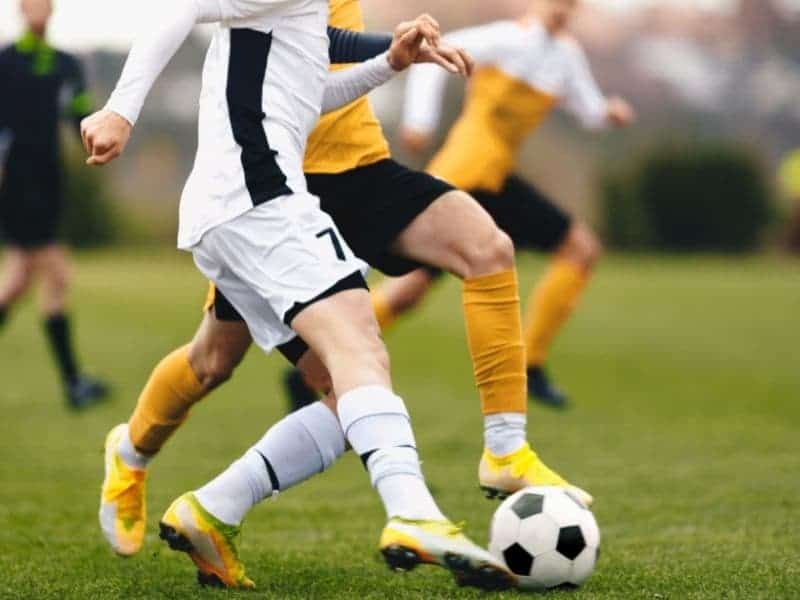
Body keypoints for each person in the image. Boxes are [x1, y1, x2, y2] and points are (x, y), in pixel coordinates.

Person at [94, 0, 594, 573]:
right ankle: (410, 512)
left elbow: (309, 70)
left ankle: (212, 509)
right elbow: (183, 9)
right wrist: (120, 111)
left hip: (278, 192)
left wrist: (393, 59)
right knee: (244, 357)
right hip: (262, 196)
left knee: (350, 385)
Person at [364, 0, 636, 408]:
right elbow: (437, 51)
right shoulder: (506, 39)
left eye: (571, 3)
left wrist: (608, 113)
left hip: (497, 181)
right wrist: (419, 122)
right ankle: (318, 358)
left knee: (581, 251)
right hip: (462, 175)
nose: (562, 9)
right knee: (407, 291)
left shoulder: (567, 57)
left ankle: (532, 364)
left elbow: (588, 110)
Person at [0, 0, 108, 409]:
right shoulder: (6, 62)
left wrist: (99, 131)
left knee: (18, 280)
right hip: (15, 180)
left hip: (50, 180)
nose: (38, 8)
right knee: (56, 272)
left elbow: (78, 114)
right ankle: (74, 383)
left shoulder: (66, 64)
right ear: (20, 10)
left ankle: (74, 383)